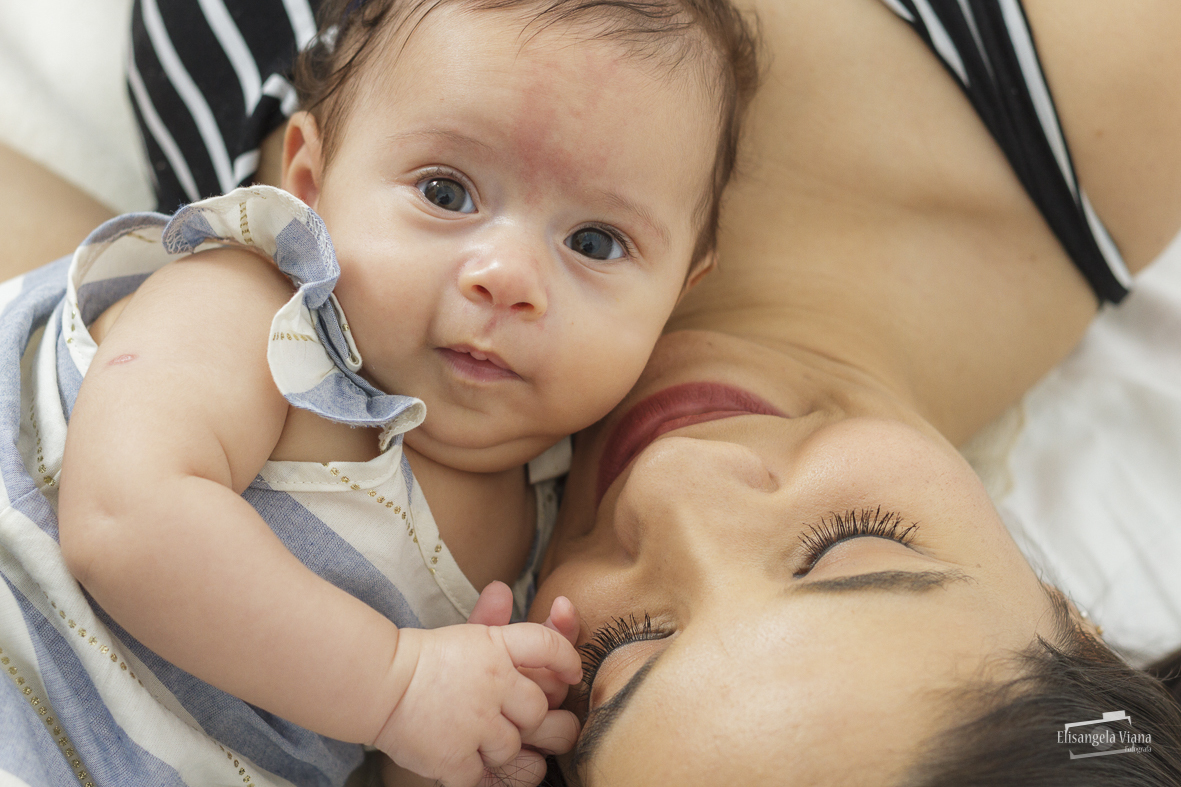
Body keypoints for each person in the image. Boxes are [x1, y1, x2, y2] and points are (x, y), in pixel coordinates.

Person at [3, 1, 1180, 786]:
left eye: (624, 652)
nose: (671, 483)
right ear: (1073, 615)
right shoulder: (1107, 91)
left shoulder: (359, 584)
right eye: (850, 546)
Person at [0, 1, 759, 786]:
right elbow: (122, 520)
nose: (506, 277)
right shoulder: (257, 306)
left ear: (678, 292)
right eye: (446, 192)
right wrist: (396, 684)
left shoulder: (541, 544)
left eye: (593, 242)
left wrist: (469, 740)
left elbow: (369, 740)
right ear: (310, 181)